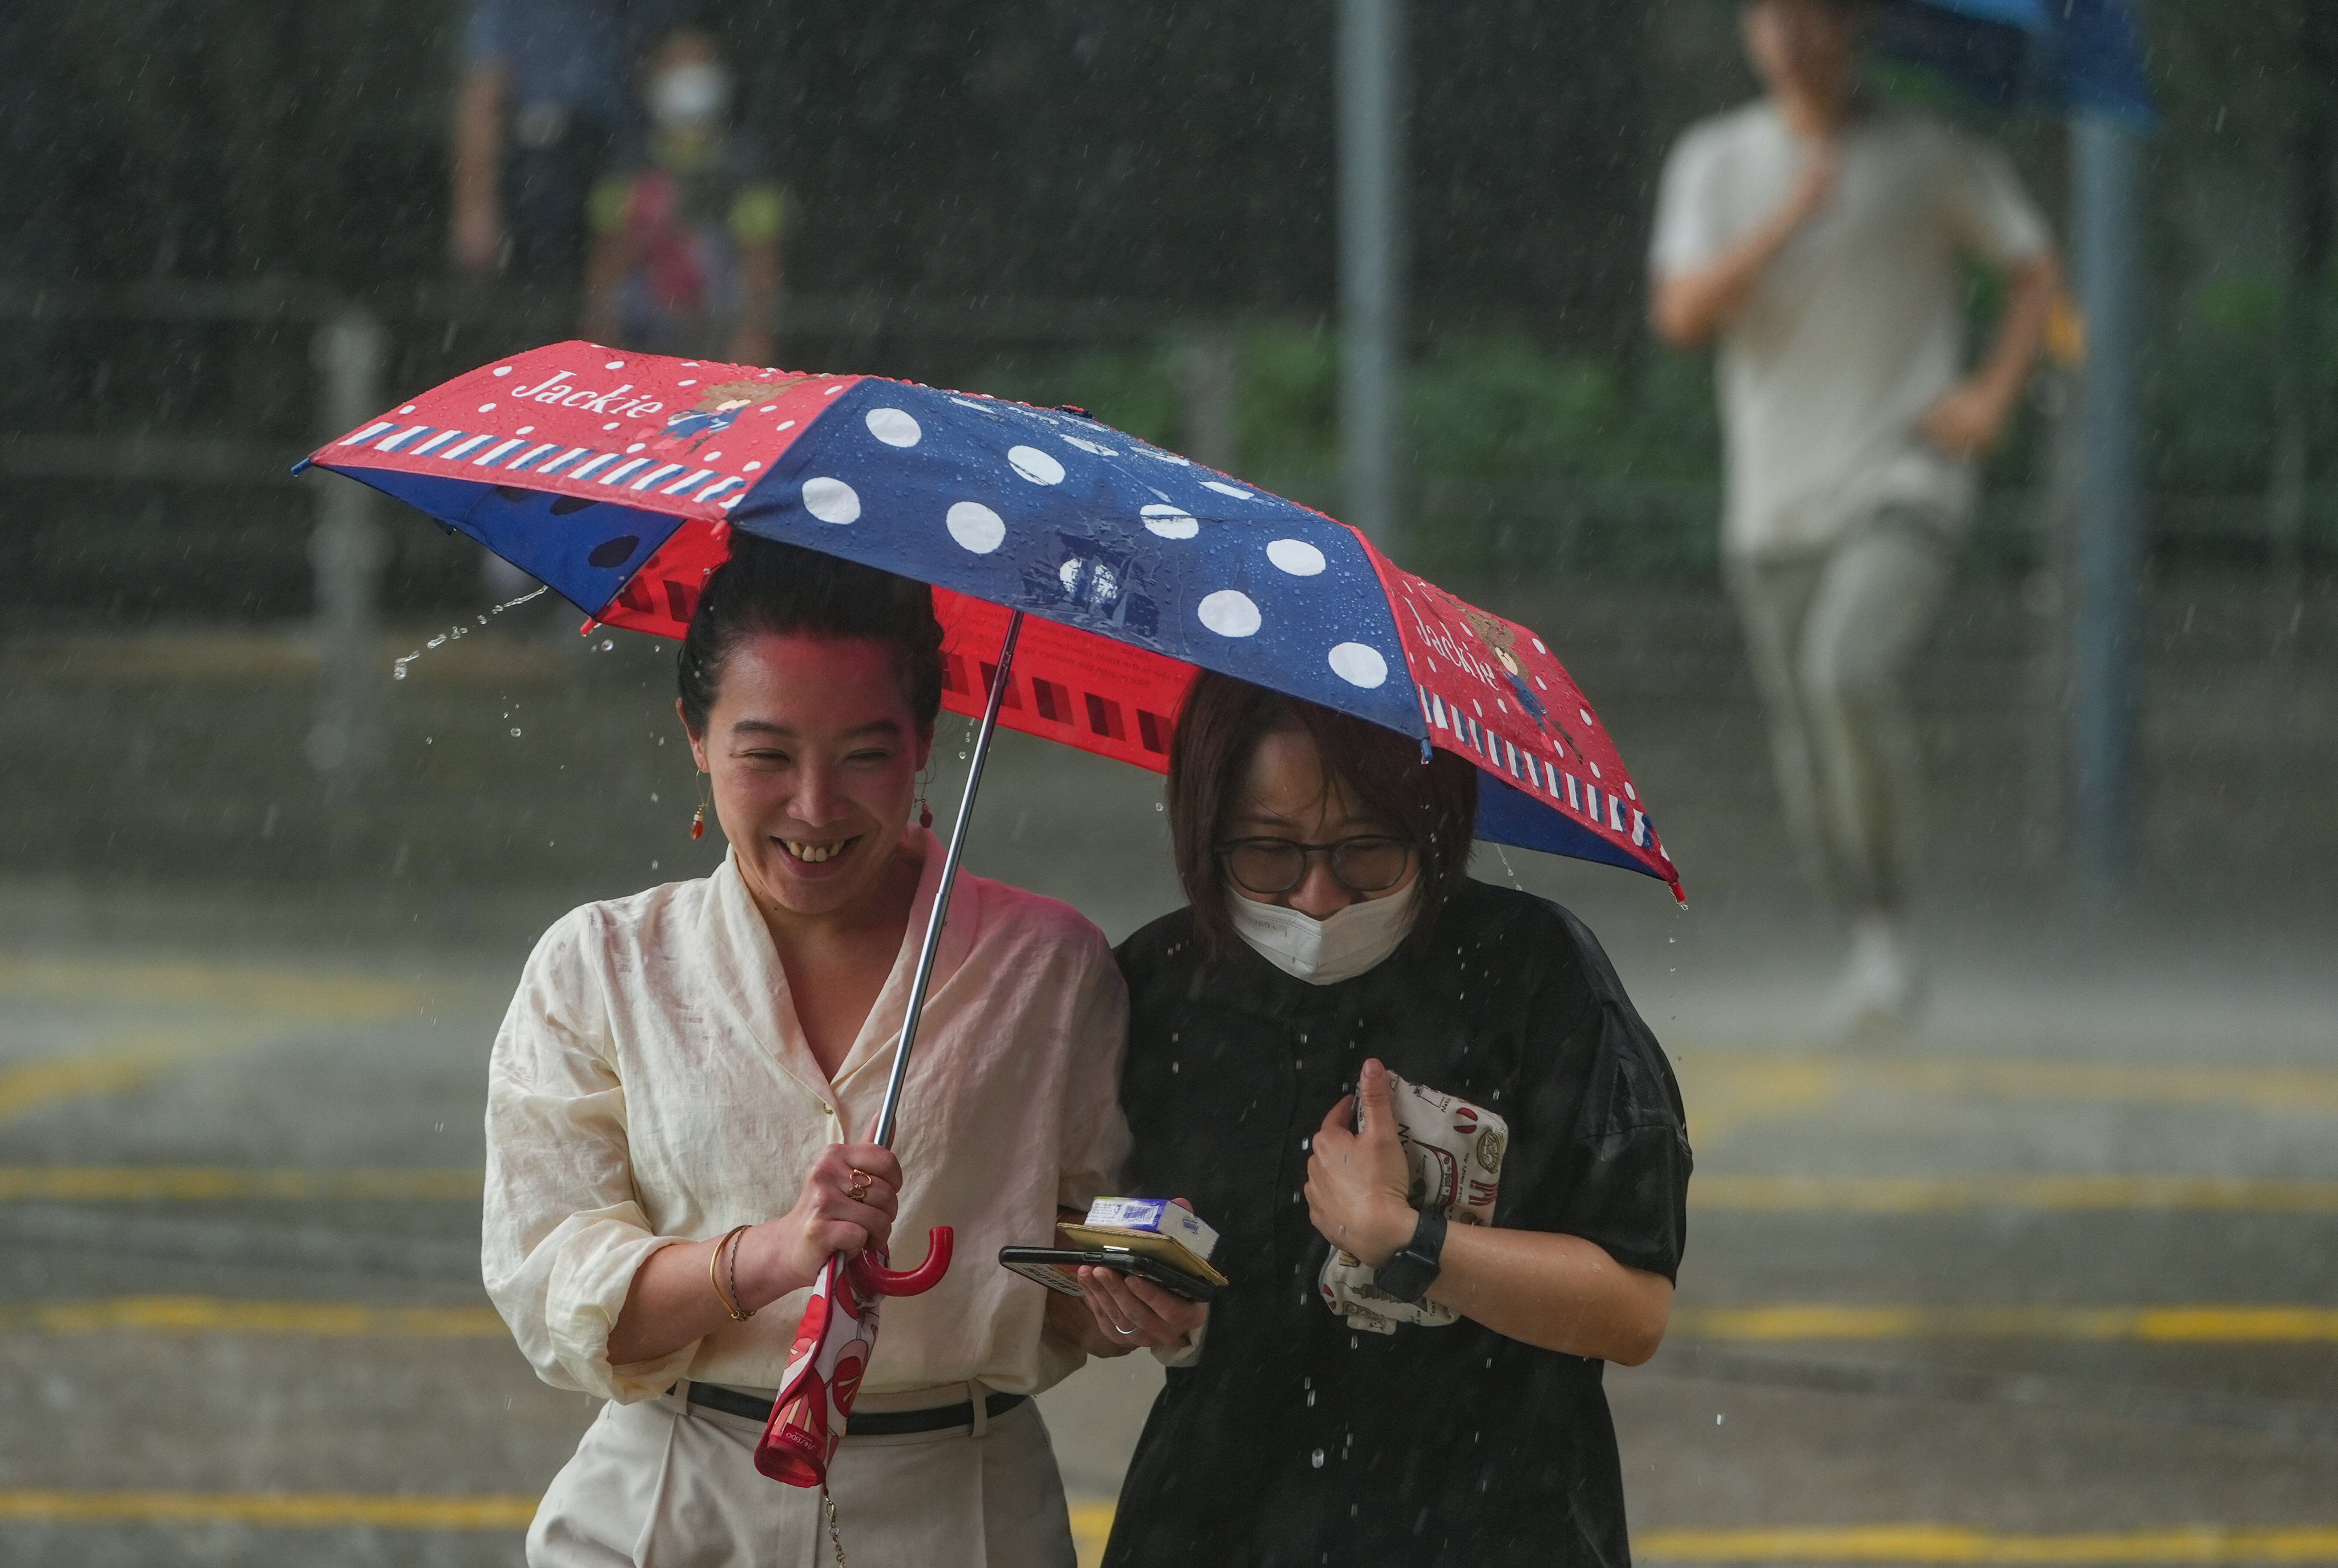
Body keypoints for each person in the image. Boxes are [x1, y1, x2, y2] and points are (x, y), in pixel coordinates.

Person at [483, 536, 1128, 1567]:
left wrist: (1133, 1295)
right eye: (767, 754)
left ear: (925, 738)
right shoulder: (598, 966)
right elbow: (555, 1288)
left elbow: (1089, 1252)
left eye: (864, 753)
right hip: (668, 1503)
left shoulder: (1048, 966)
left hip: (961, 1513)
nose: (816, 807)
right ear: (694, 736)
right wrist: (767, 1255)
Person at [1062, 673, 1692, 1567]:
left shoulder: (1533, 972)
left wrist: (1410, 1238)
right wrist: (1137, 1316)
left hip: (1491, 1520)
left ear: (1433, 828)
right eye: (1269, 854)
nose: (1319, 897)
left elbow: (1634, 1309)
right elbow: (1088, 1304)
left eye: (1367, 852)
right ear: (1204, 833)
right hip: (1217, 1517)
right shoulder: (1157, 987)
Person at [1649, 0, 2060, 1030]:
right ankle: (1876, 939)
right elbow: (1682, 314)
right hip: (1773, 505)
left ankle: (1888, 934)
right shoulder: (1715, 158)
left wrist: (1993, 394)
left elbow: (2031, 264)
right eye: (1776, 15)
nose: (1796, 35)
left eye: (1820, 16)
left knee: (1848, 669)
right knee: (1804, 753)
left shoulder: (1930, 153)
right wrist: (1789, 215)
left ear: (1857, 30)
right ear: (1751, 32)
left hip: (1905, 479)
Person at [581, 26, 784, 364]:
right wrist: (598, 343)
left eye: (701, 63)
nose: (690, 77)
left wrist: (754, 338)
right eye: (677, 64)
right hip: (641, 340)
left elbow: (761, 262)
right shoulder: (627, 167)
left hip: (719, 339)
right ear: (651, 80)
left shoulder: (746, 170)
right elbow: (605, 265)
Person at [450, 0, 671, 287]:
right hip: (547, 173)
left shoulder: (624, 12)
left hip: (622, 169)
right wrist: (475, 208)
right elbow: (483, 96)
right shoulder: (509, 9)